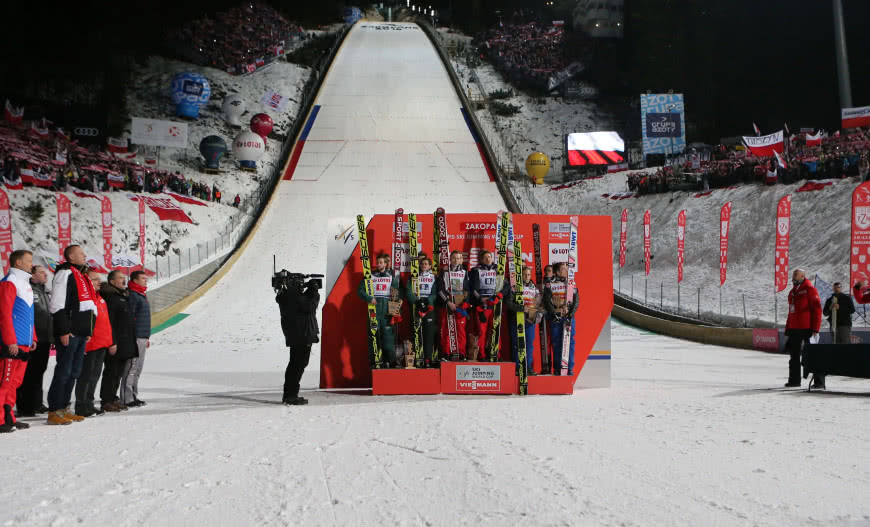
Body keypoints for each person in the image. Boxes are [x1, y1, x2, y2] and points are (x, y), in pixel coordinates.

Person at [47, 245, 96, 425]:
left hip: (81, 332)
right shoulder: (65, 274)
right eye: (81, 254)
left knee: (74, 372)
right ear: (71, 257)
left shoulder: (82, 276)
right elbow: (57, 304)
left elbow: (90, 306)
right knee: (64, 371)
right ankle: (54, 409)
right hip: (70, 331)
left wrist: (88, 330)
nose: (85, 256)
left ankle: (64, 407)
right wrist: (63, 329)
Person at [0, 250, 37, 433]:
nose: (32, 264)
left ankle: (9, 416)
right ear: (18, 263)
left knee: (15, 382)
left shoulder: (25, 283)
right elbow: (5, 314)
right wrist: (10, 340)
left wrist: (33, 337)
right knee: (4, 381)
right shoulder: (10, 282)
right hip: (12, 342)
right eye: (28, 261)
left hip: (24, 340)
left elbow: (28, 313)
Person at [276, 274, 320, 405]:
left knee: (295, 364)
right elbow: (309, 306)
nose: (301, 285)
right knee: (298, 365)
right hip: (302, 335)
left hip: (297, 335)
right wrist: (313, 290)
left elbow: (304, 303)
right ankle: (291, 395)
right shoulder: (293, 297)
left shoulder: (286, 297)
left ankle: (289, 394)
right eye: (299, 283)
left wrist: (309, 290)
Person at [74, 270, 113, 417]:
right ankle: (81, 404)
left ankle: (89, 403)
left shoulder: (100, 298)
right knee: (86, 376)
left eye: (99, 279)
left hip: (102, 342)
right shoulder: (86, 299)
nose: (98, 282)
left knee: (95, 375)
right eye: (94, 280)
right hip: (90, 344)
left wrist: (109, 341)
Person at [16, 265, 52, 417]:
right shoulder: (29, 290)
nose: (46, 275)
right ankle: (25, 406)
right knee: (29, 373)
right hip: (32, 338)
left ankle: (37, 402)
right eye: (42, 272)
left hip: (45, 338)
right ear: (32, 275)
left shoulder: (45, 291)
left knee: (39, 371)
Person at [100, 271, 135, 412]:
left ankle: (112, 398)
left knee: (118, 373)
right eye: (120, 278)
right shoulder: (110, 297)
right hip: (115, 342)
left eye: (124, 277)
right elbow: (110, 322)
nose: (124, 280)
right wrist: (112, 341)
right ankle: (106, 400)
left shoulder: (122, 296)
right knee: (111, 372)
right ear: (112, 281)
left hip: (124, 341)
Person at [357, 253, 400, 368]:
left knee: (388, 341)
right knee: (373, 338)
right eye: (378, 262)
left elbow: (395, 294)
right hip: (374, 311)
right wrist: (369, 298)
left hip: (386, 312)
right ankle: (374, 362)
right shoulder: (370, 275)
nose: (379, 264)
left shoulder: (391, 276)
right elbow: (360, 291)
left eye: (381, 262)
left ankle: (389, 362)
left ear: (385, 264)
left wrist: (394, 312)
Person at [784, 269, 822, 388]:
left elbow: (817, 310)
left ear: (803, 276)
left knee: (813, 354)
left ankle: (819, 382)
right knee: (793, 356)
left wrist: (815, 328)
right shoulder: (792, 292)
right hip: (794, 328)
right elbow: (791, 312)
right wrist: (788, 328)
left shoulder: (810, 289)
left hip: (807, 328)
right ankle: (794, 380)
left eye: (796, 276)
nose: (793, 278)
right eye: (793, 275)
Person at [543, 262, 578, 376]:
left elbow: (576, 301)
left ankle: (569, 368)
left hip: (568, 317)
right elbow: (547, 301)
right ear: (557, 272)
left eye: (567, 269)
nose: (566, 271)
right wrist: (555, 312)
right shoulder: (550, 284)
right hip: (556, 318)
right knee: (557, 343)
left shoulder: (571, 283)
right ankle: (558, 368)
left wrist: (570, 313)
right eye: (564, 269)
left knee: (570, 343)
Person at [122, 270, 150, 407]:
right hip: (135, 336)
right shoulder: (133, 295)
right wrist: (131, 337)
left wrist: (146, 337)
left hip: (142, 336)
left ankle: (133, 395)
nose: (146, 281)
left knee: (138, 368)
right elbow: (130, 318)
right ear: (135, 280)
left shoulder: (141, 295)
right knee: (131, 367)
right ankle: (127, 398)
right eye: (143, 279)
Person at [404, 255, 439, 366]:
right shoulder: (413, 276)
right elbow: (408, 292)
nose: (424, 265)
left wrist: (427, 301)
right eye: (422, 263)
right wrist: (416, 302)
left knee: (429, 334)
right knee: (416, 332)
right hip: (417, 306)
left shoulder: (434, 277)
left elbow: (435, 292)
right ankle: (417, 358)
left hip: (429, 307)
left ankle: (428, 359)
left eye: (426, 264)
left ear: (429, 266)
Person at [506, 266, 541, 375]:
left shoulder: (534, 288)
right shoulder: (514, 287)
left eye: (528, 274)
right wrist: (522, 308)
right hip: (517, 319)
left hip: (530, 321)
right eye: (524, 274)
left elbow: (539, 304)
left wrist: (537, 313)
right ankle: (517, 368)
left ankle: (528, 368)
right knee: (517, 344)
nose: (526, 276)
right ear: (520, 275)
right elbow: (509, 304)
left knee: (529, 345)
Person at [469, 250, 503, 360]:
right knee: (482, 332)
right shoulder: (476, 270)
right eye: (485, 257)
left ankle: (495, 353)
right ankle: (482, 354)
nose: (488, 259)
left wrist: (498, 296)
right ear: (481, 259)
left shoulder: (498, 269)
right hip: (482, 306)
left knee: (495, 330)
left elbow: (505, 286)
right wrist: (480, 299)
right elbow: (473, 289)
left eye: (490, 257)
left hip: (495, 305)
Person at [438, 250, 470, 361]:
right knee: (447, 330)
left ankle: (461, 353)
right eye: (454, 258)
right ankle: (446, 353)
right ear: (450, 259)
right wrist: (448, 302)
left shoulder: (465, 272)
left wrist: (464, 303)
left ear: (462, 260)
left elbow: (468, 290)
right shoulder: (444, 272)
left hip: (460, 305)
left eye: (459, 258)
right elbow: (440, 290)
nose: (456, 260)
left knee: (460, 330)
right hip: (447, 304)